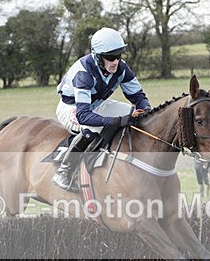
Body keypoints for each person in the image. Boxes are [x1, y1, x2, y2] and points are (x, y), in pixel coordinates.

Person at [52, 27, 151, 192]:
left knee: (134, 117)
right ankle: (64, 171)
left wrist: (145, 109)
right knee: (92, 129)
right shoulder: (84, 73)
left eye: (118, 56)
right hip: (72, 107)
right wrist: (117, 121)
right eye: (110, 57)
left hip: (97, 104)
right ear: (97, 57)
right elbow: (83, 116)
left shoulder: (122, 69)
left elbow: (138, 97)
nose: (115, 62)